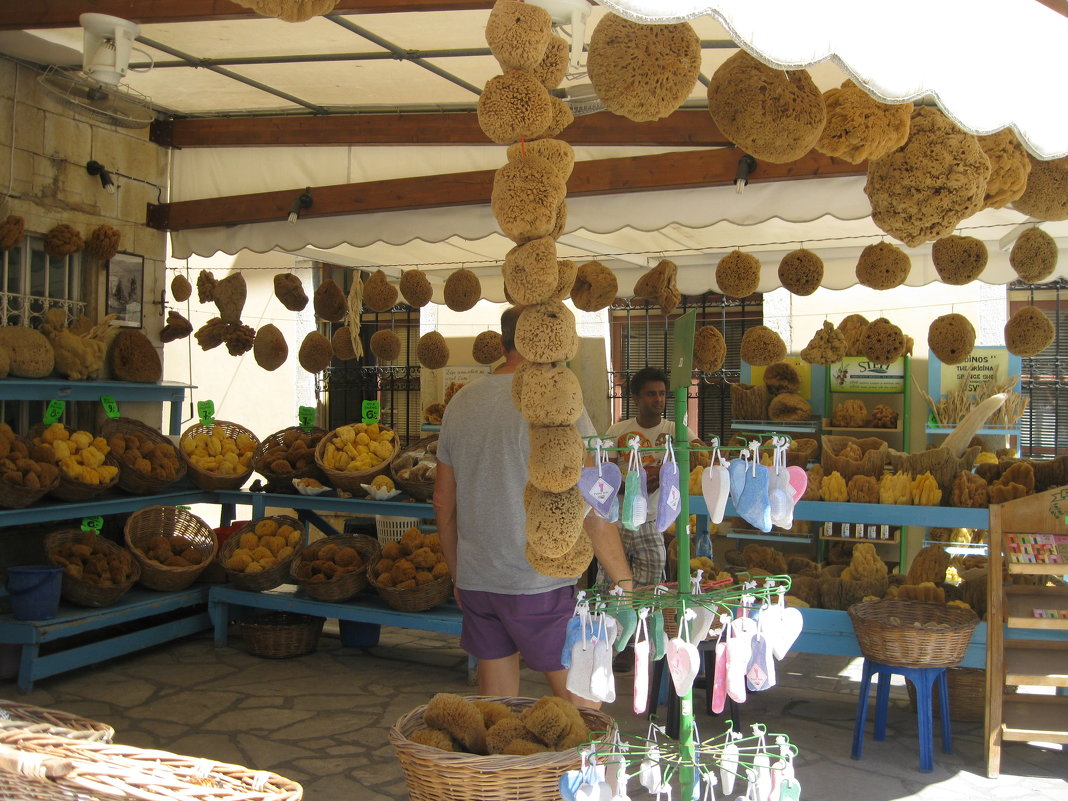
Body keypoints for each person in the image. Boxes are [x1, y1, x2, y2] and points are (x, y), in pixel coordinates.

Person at [433, 306, 633, 708]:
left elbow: (443, 499)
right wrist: (624, 581)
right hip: (538, 581)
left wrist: (459, 573)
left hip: (479, 579)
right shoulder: (557, 401)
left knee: (496, 712)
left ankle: (506, 772)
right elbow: (594, 500)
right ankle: (585, 770)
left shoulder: (461, 402)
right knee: (584, 705)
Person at [598, 366, 697, 589]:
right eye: (651, 394)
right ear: (636, 398)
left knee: (651, 583)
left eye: (662, 393)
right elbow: (606, 478)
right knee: (609, 583)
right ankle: (608, 622)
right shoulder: (617, 430)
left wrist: (663, 476)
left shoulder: (676, 430)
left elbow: (698, 454)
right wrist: (637, 486)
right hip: (618, 520)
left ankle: (643, 622)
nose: (658, 399)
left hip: (652, 521)